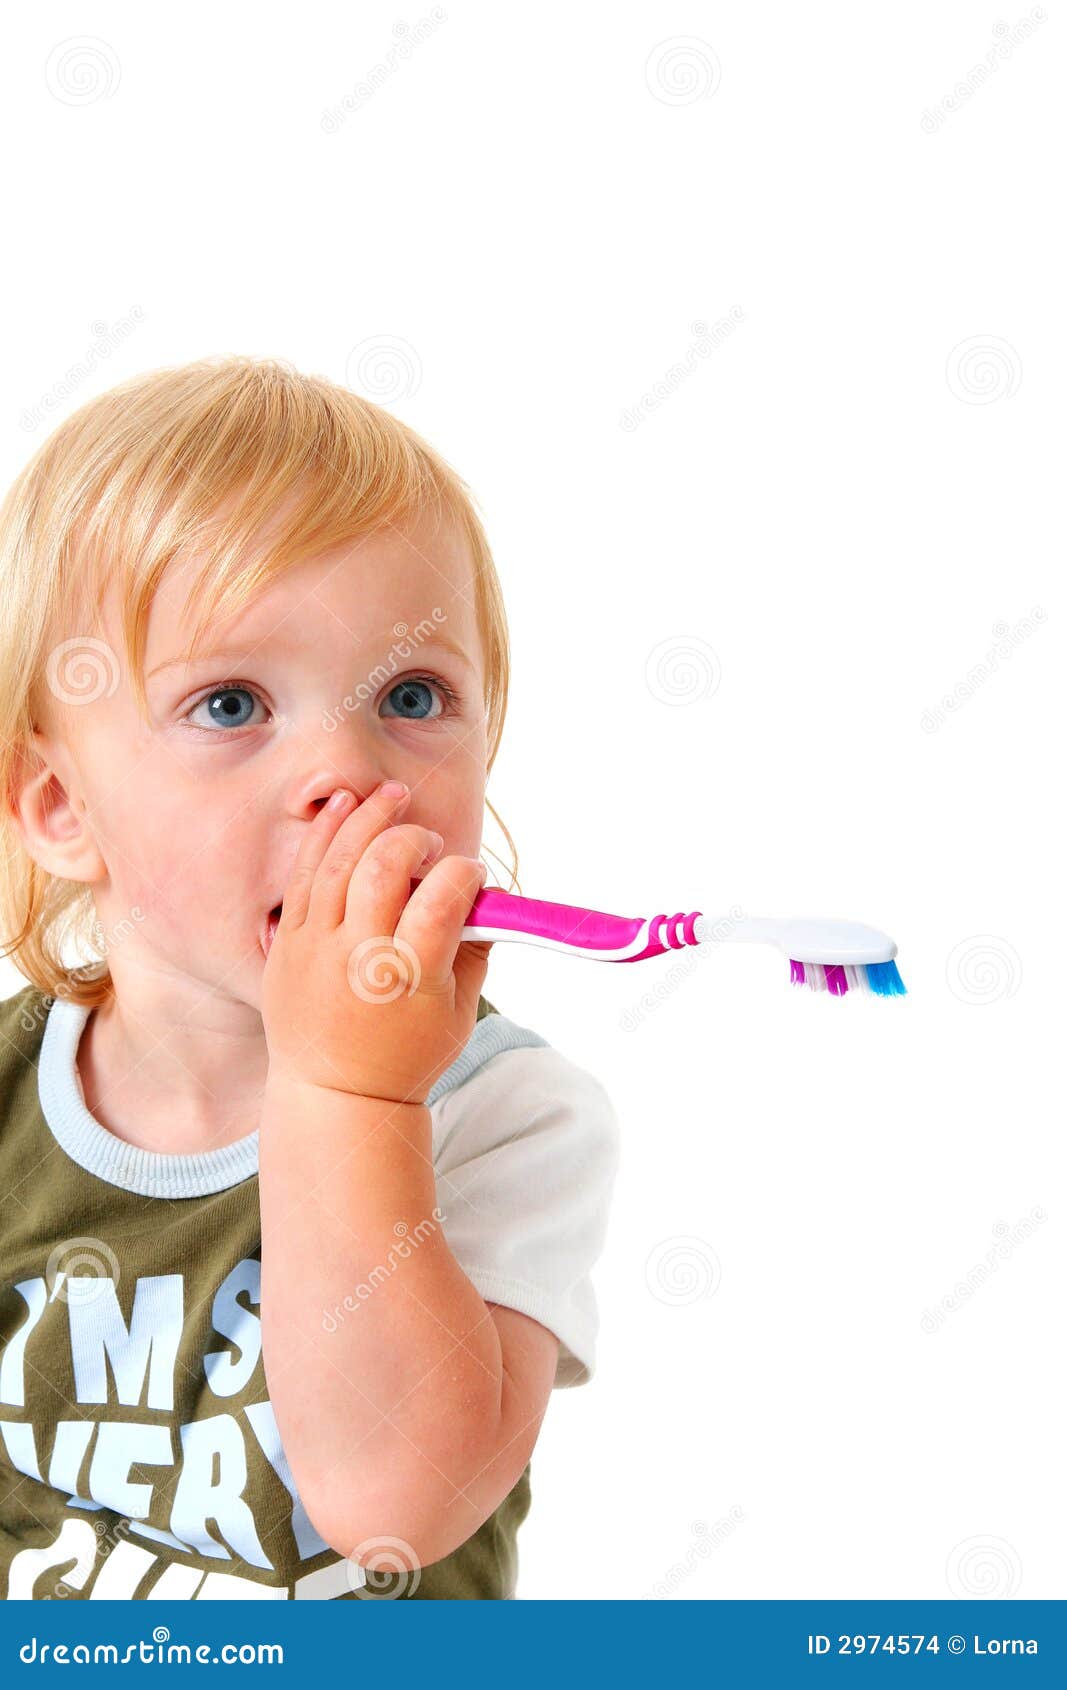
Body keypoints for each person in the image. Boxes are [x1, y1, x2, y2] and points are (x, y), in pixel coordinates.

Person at [0, 356, 620, 1600]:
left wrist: (348, 1093)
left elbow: (396, 1496)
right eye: (230, 702)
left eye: (411, 696)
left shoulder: (503, 1118)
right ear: (63, 807)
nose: (347, 772)